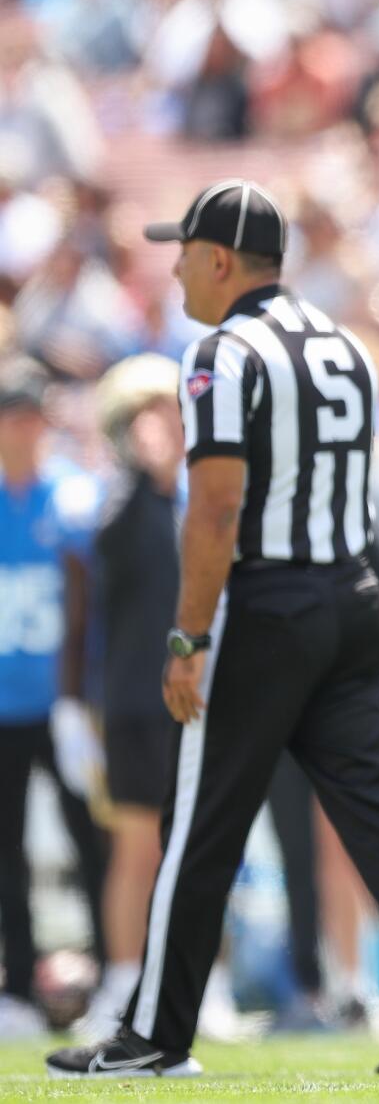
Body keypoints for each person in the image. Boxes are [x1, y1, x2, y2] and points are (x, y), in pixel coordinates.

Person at [49, 180, 379, 1079]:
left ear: (219, 260)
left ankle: (156, 1034)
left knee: (200, 824)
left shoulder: (220, 352)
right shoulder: (346, 348)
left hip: (269, 604)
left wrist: (187, 638)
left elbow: (213, 507)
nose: (173, 267)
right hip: (351, 598)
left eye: (183, 251)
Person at [71, 354, 182, 1040]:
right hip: (136, 702)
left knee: (197, 849)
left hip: (194, 698)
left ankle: (199, 981)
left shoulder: (199, 497)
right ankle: (120, 977)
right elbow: (104, 549)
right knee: (138, 847)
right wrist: (145, 468)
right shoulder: (113, 497)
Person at [0, 355, 107, 1039]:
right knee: (7, 851)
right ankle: (18, 987)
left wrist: (81, 697)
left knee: (92, 840)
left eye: (30, 413)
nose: (20, 427)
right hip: (3, 704)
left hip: (65, 702)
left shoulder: (74, 496)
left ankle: (111, 974)